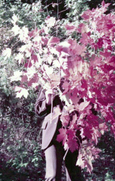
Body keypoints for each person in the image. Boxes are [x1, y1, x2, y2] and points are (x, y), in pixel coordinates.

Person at [35, 43, 83, 181]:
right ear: (58, 59)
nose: (66, 60)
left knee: (74, 176)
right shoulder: (50, 78)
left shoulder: (80, 81)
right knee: (52, 176)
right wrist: (48, 100)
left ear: (74, 59)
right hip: (52, 132)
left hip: (73, 133)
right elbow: (38, 109)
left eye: (69, 57)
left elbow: (89, 109)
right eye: (63, 57)